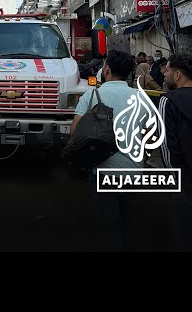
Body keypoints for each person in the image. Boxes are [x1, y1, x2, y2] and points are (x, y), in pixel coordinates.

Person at [71, 50, 143, 250]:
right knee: (133, 224)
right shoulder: (140, 97)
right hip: (134, 172)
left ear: (107, 69)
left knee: (108, 226)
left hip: (102, 170)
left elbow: (75, 131)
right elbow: (150, 133)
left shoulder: (92, 94)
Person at [158, 53, 192, 251]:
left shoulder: (168, 101)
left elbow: (167, 147)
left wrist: (175, 181)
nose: (164, 74)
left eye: (167, 70)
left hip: (188, 187)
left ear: (178, 75)